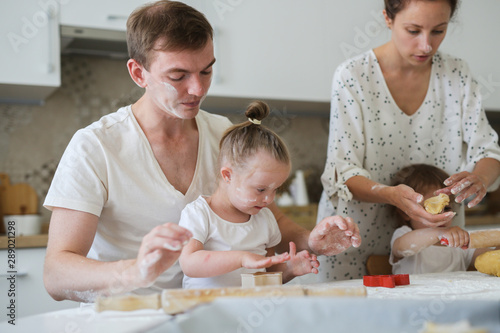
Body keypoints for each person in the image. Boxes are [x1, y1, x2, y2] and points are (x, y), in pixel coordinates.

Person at [43, 0, 360, 302]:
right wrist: (133, 272)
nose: (197, 89)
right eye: (178, 76)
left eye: (206, 71)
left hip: (209, 316)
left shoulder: (223, 134)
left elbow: (268, 217)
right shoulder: (95, 147)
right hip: (126, 320)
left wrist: (311, 241)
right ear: (139, 73)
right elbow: (56, 275)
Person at [317, 0, 500, 281]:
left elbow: (487, 150)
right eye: (413, 30)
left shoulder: (457, 74)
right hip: (354, 236)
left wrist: (481, 179)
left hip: (439, 244)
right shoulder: (353, 76)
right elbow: (344, 170)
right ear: (388, 19)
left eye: (438, 31)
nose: (426, 45)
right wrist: (391, 195)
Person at [178, 101, 319, 288]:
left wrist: (290, 269)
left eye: (275, 189)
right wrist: (242, 258)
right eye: (261, 189)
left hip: (248, 312)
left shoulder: (265, 220)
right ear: (228, 175)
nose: (269, 199)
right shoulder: (199, 214)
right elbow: (189, 263)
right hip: (206, 311)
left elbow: (267, 275)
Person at [389, 164, 496, 274]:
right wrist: (439, 233)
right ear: (406, 212)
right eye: (431, 208)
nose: (442, 215)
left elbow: (491, 258)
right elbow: (401, 248)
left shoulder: (458, 243)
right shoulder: (404, 235)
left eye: (446, 208)